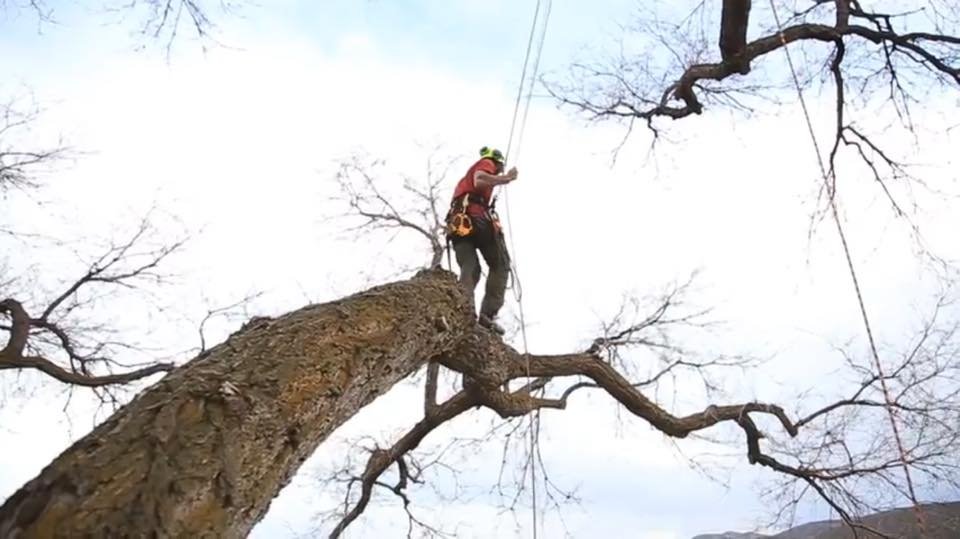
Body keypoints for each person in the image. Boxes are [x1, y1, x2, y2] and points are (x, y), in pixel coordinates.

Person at [445, 146, 518, 334]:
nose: (498, 170)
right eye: (499, 167)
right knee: (500, 264)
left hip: (458, 224)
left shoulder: (464, 181)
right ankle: (487, 316)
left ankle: (462, 312)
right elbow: (480, 180)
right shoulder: (487, 163)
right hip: (477, 218)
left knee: (471, 268)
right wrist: (505, 178)